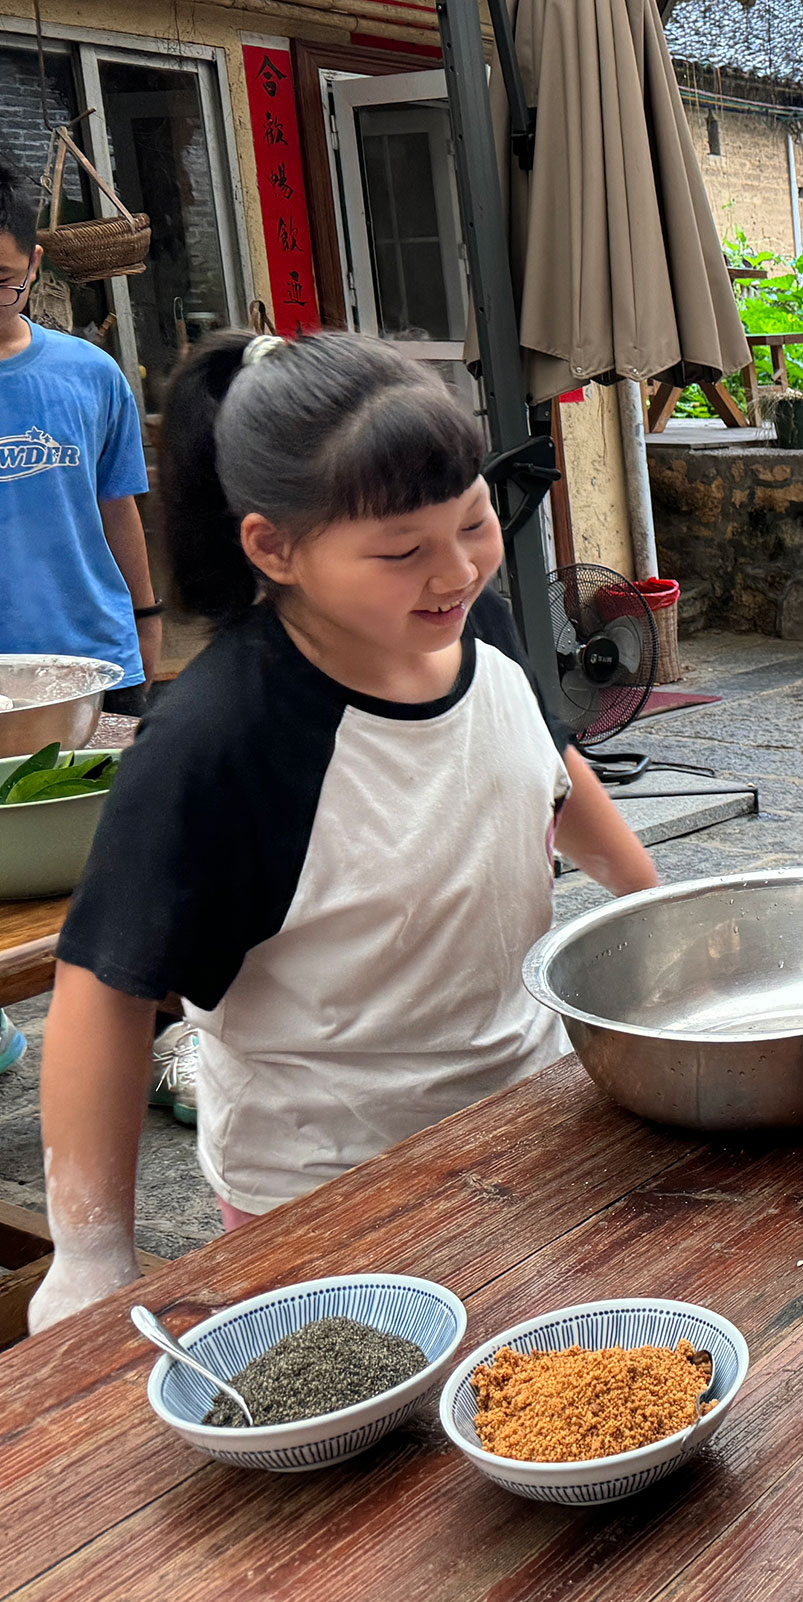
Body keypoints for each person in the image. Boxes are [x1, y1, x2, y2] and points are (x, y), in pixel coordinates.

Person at [26, 331, 657, 1335]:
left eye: (475, 523)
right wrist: (91, 1253)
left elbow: (547, 764)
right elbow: (104, 988)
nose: (453, 572)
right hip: (329, 1201)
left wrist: (657, 913)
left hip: (526, 1121)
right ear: (274, 546)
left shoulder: (464, 622)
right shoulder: (217, 738)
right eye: (402, 551)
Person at [0, 158, 157, 1076]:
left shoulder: (87, 374)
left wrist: (147, 619)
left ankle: (151, 1032)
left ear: (34, 265)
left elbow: (118, 506)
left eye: (2, 279)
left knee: (122, 863)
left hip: (90, 660)